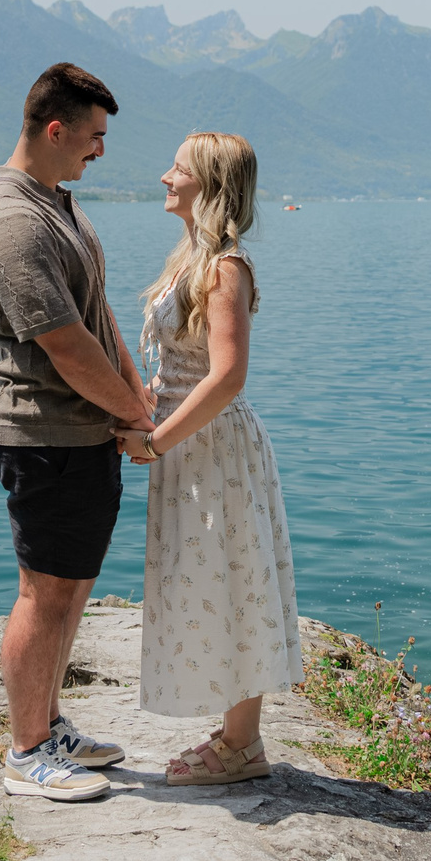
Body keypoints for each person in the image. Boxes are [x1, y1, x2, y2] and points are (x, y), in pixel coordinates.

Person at [0, 62, 155, 801]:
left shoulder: (57, 204)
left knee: (72, 587)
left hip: (80, 431)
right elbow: (65, 345)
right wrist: (132, 417)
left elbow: (95, 312)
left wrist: (135, 398)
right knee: (44, 592)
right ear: (56, 130)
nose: (100, 149)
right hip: (40, 433)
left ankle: (48, 725)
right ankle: (26, 753)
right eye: (94, 136)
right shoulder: (13, 220)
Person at [117, 131, 302, 785]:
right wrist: (145, 404)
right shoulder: (195, 258)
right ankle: (234, 736)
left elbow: (226, 376)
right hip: (190, 444)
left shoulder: (226, 268)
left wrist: (155, 440)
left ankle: (243, 746)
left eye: (179, 169)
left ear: (211, 185)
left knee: (232, 578)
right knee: (213, 578)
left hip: (213, 447)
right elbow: (182, 365)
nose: (166, 177)